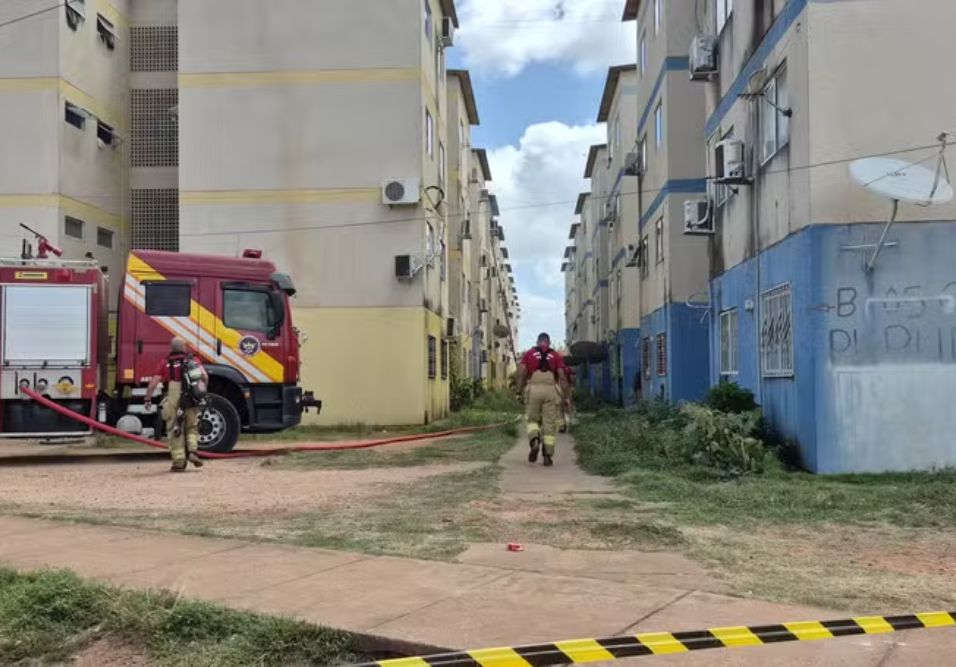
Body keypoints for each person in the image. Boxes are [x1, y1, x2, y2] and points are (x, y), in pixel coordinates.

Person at [145, 337, 208, 473]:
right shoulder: (193, 360)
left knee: (174, 426)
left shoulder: (166, 362)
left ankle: (179, 463)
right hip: (191, 395)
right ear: (184, 347)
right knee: (192, 426)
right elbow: (205, 378)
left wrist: (148, 398)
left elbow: (154, 382)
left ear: (171, 348)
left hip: (174, 392)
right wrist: (201, 394)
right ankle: (193, 452)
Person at [515, 333, 570, 467]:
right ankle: (547, 455)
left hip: (533, 390)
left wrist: (518, 392)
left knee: (532, 419)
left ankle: (534, 440)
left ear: (537, 341)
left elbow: (521, 373)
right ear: (549, 342)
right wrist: (566, 396)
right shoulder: (555, 355)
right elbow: (562, 377)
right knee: (549, 423)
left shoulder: (529, 354)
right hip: (550, 390)